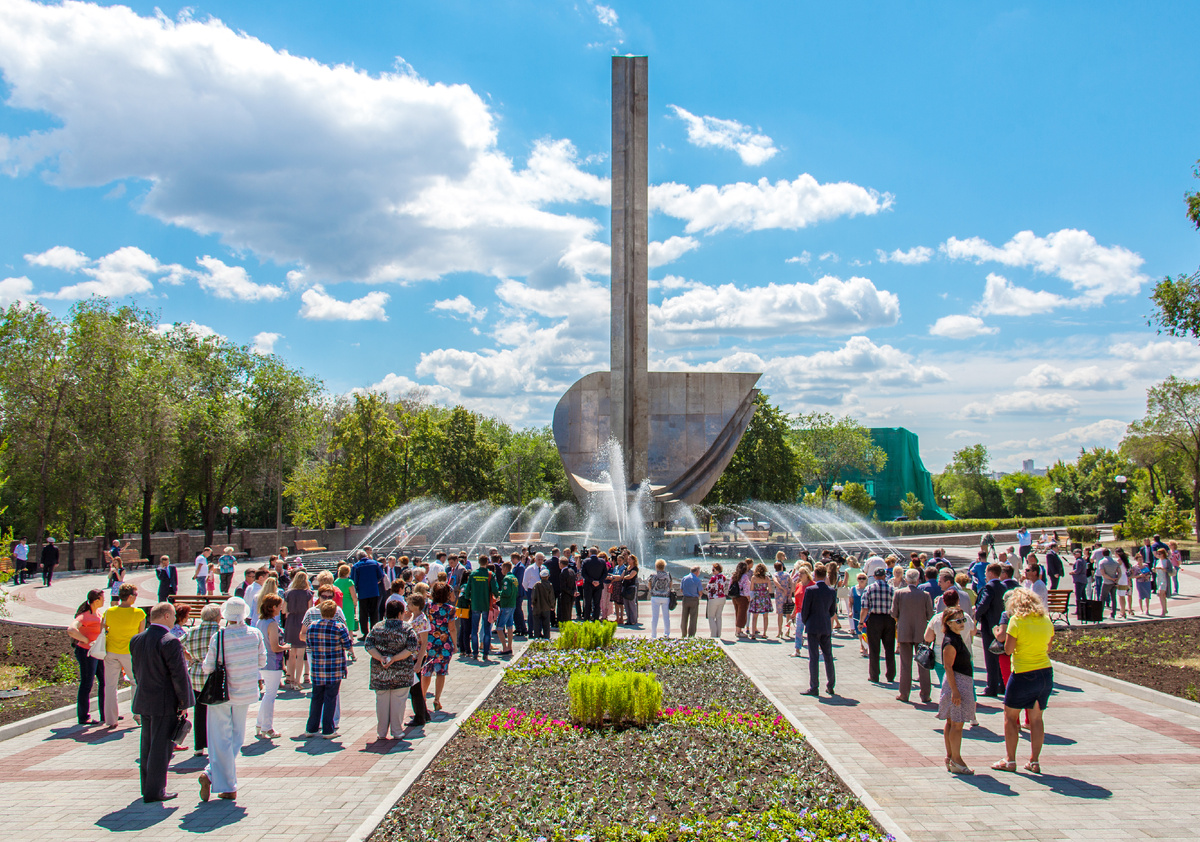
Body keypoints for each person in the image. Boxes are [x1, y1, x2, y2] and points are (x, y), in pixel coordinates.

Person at [196, 597, 265, 802]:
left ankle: (217, 777)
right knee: (237, 736)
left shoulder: (219, 637)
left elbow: (208, 666)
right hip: (244, 690)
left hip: (221, 691)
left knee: (219, 737)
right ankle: (220, 780)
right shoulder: (255, 634)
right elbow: (262, 661)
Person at [129, 602, 194, 803]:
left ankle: (147, 786)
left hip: (144, 698)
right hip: (164, 701)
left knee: (147, 745)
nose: (175, 619)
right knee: (161, 748)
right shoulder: (170, 641)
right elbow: (179, 674)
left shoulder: (137, 639)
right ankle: (156, 791)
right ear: (166, 616)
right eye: (173, 615)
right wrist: (184, 702)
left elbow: (136, 670)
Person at [992, 587, 1055, 774]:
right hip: (1044, 672)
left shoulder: (1016, 620)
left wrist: (998, 635)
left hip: (1022, 672)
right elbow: (1048, 647)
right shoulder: (1046, 620)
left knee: (1010, 717)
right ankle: (1034, 761)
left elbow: (1009, 649)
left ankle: (1010, 760)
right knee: (1036, 718)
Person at [364, 599, 419, 741]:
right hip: (401, 672)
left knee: (381, 701)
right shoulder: (406, 628)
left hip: (380, 672)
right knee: (399, 702)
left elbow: (368, 645)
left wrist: (381, 657)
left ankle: (381, 732)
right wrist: (395, 658)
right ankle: (397, 730)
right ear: (400, 613)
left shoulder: (377, 627)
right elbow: (411, 648)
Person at [301, 599, 353, 739]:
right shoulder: (339, 627)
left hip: (318, 668)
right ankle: (328, 730)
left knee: (316, 697)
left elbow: (309, 644)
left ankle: (311, 728)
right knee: (330, 698)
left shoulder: (312, 626)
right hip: (334, 667)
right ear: (335, 612)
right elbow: (347, 645)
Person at [937, 607, 975, 775]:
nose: (962, 623)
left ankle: (951, 757)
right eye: (958, 621)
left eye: (963, 620)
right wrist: (955, 691)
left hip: (960, 681)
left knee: (952, 722)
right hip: (957, 682)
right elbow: (948, 667)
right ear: (948, 623)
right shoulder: (950, 641)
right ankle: (957, 759)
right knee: (957, 724)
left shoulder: (956, 637)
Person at [102, 583, 145, 728]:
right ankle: (138, 714)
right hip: (129, 652)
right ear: (131, 596)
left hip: (111, 650)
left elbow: (104, 629)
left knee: (110, 685)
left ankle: (111, 719)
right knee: (135, 681)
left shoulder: (109, 612)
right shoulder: (139, 613)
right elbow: (140, 635)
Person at [181, 604, 221, 756]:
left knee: (199, 711)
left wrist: (189, 657)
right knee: (216, 710)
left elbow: (177, 644)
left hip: (196, 674)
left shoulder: (192, 631)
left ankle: (199, 746)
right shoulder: (219, 632)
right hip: (214, 675)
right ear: (217, 617)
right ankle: (214, 743)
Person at [891, 569, 933, 705]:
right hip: (921, 633)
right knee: (923, 664)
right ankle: (925, 695)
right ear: (918, 579)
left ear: (906, 579)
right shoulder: (925, 595)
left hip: (904, 632)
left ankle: (904, 693)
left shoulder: (899, 593)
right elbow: (929, 615)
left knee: (905, 664)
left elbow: (893, 613)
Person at [66, 589, 107, 725]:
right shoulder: (84, 616)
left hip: (96, 652)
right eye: (102, 598)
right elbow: (71, 629)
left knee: (104, 681)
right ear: (96, 601)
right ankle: (83, 716)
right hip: (86, 653)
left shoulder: (97, 613)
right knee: (87, 683)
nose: (104, 600)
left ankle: (105, 713)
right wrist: (85, 640)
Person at [253, 594, 288, 739]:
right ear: (273, 607)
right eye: (279, 606)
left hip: (263, 662)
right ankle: (267, 727)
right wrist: (287, 647)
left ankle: (260, 724)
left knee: (268, 694)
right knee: (270, 695)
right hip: (273, 662)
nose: (281, 608)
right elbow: (275, 646)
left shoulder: (260, 621)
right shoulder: (271, 624)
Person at [800, 562, 837, 697]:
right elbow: (833, 611)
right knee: (828, 656)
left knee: (814, 657)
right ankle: (831, 685)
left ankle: (814, 686)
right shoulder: (831, 591)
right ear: (826, 575)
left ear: (814, 575)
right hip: (826, 626)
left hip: (813, 626)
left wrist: (807, 622)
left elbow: (805, 610)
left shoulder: (810, 590)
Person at [422, 582, 457, 712]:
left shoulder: (427, 606)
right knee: (441, 671)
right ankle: (437, 699)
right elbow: (452, 628)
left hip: (429, 642)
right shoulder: (450, 609)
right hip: (444, 642)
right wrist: (455, 644)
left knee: (426, 671)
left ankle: (423, 697)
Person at [975, 562, 1007, 697]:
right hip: (1003, 625)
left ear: (991, 573)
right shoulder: (1003, 586)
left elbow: (983, 605)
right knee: (1001, 656)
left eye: (986, 572)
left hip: (990, 627)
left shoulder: (989, 587)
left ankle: (991, 687)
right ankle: (1002, 685)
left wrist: (976, 616)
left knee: (990, 658)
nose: (984, 575)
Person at [860, 567, 896, 684]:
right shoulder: (891, 589)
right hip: (889, 619)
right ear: (885, 576)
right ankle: (891, 675)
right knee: (889, 648)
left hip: (874, 619)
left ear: (874, 576)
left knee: (874, 649)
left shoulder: (869, 588)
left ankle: (874, 675)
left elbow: (865, 607)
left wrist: (861, 622)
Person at [283, 571, 313, 689]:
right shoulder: (308, 593)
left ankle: (290, 679)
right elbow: (310, 610)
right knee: (300, 655)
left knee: (291, 654)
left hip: (291, 621)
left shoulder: (288, 593)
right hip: (303, 622)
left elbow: (284, 610)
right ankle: (297, 681)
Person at [466, 557, 500, 660]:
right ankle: (485, 653)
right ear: (487, 562)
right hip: (486, 604)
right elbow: (495, 590)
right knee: (486, 630)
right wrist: (498, 595)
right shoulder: (490, 574)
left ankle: (475, 652)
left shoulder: (473, 574)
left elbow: (467, 590)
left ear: (478, 562)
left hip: (475, 604)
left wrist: (469, 597)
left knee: (474, 630)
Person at [350, 549, 387, 636]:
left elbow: (353, 580)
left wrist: (356, 589)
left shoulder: (356, 566)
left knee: (363, 613)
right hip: (374, 591)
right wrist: (376, 581)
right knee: (374, 612)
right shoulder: (375, 563)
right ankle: (374, 631)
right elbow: (381, 575)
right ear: (366, 555)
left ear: (358, 558)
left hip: (363, 593)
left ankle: (365, 633)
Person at [496, 561, 519, 655]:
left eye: (502, 568)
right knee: (510, 626)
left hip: (506, 605)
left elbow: (507, 592)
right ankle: (510, 646)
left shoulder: (506, 579)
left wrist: (499, 594)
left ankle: (505, 648)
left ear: (505, 568)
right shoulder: (514, 578)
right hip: (513, 604)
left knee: (499, 627)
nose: (501, 570)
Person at [647, 559, 673, 639]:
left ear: (656, 566)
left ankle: (653, 635)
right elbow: (671, 583)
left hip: (655, 597)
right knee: (666, 616)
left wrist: (651, 590)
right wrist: (667, 590)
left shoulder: (653, 575)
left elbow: (648, 582)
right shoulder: (668, 575)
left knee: (655, 616)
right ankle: (667, 634)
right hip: (665, 597)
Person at [580, 549, 608, 622]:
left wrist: (591, 580)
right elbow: (605, 573)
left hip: (588, 585)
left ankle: (586, 619)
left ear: (590, 553)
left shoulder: (586, 561)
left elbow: (583, 574)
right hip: (598, 585)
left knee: (587, 603)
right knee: (597, 603)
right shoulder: (602, 561)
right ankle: (596, 619)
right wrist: (599, 581)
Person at [747, 563, 773, 639]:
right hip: (765, 597)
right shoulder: (767, 578)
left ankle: (753, 634)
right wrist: (765, 589)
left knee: (755, 616)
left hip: (756, 597)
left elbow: (751, 589)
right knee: (765, 616)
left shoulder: (754, 578)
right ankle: (764, 633)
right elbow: (770, 590)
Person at [333, 564, 359, 634]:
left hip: (339, 603)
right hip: (348, 604)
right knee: (349, 623)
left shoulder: (336, 581)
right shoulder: (349, 582)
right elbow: (354, 596)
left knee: (340, 622)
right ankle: (350, 638)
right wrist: (355, 604)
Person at [530, 567, 556, 639]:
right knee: (546, 625)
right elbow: (551, 597)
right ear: (547, 577)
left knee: (537, 624)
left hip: (537, 607)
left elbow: (533, 596)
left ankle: (536, 639)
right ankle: (546, 639)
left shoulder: (537, 585)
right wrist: (552, 606)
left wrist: (533, 603)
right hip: (546, 607)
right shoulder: (549, 585)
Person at [705, 562, 728, 638]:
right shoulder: (724, 577)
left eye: (713, 570)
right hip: (722, 597)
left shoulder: (713, 578)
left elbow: (708, 588)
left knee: (711, 617)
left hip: (714, 598)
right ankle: (719, 634)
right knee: (718, 616)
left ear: (717, 570)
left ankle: (713, 634)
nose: (712, 571)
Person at [679, 565, 703, 638]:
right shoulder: (697, 580)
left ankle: (683, 634)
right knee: (693, 618)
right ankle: (691, 635)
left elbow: (681, 589)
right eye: (699, 572)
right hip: (694, 599)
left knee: (684, 617)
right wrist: (699, 597)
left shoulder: (684, 578)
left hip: (686, 599)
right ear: (697, 572)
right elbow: (700, 592)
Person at [620, 554, 640, 626]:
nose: (628, 560)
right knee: (626, 604)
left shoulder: (635, 568)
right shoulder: (627, 568)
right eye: (628, 559)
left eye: (629, 559)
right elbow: (622, 575)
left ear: (634, 560)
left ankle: (633, 620)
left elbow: (630, 576)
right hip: (625, 586)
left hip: (631, 587)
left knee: (632, 604)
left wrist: (624, 577)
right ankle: (628, 619)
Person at [1070, 548, 1089, 620]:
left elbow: (1078, 570)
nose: (1074, 555)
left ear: (1079, 554)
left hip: (1079, 580)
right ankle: (1085, 609)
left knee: (1078, 596)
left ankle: (1078, 610)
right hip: (1083, 580)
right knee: (1083, 596)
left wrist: (1072, 572)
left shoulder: (1079, 561)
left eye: (1075, 554)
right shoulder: (1083, 560)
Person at [1154, 548, 1172, 617]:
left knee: (1162, 593)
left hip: (1164, 579)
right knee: (1161, 595)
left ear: (1163, 554)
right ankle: (1164, 608)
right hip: (1158, 579)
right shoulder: (1158, 561)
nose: (1158, 555)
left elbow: (1170, 570)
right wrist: (1154, 570)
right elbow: (1156, 570)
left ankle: (1163, 611)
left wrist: (1164, 569)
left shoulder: (1167, 561)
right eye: (1157, 554)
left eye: (1160, 554)